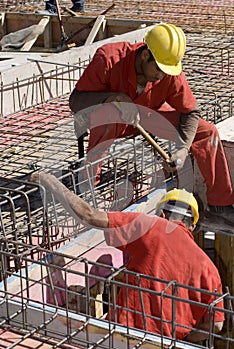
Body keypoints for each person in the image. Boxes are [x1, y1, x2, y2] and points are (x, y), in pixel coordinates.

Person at [69, 22, 234, 224]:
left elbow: (190, 112)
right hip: (110, 118)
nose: (161, 76)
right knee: (108, 115)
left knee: (207, 131)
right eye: (158, 70)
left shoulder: (167, 70)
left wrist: (182, 149)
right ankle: (89, 192)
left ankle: (221, 203)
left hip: (148, 114)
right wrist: (114, 97)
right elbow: (75, 101)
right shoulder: (109, 59)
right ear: (145, 55)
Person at [31, 172, 224, 342]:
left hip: (121, 336)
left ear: (163, 214)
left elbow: (88, 215)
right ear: (192, 226)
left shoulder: (151, 226)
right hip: (164, 344)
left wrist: (50, 181)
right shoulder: (210, 269)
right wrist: (185, 337)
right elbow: (216, 326)